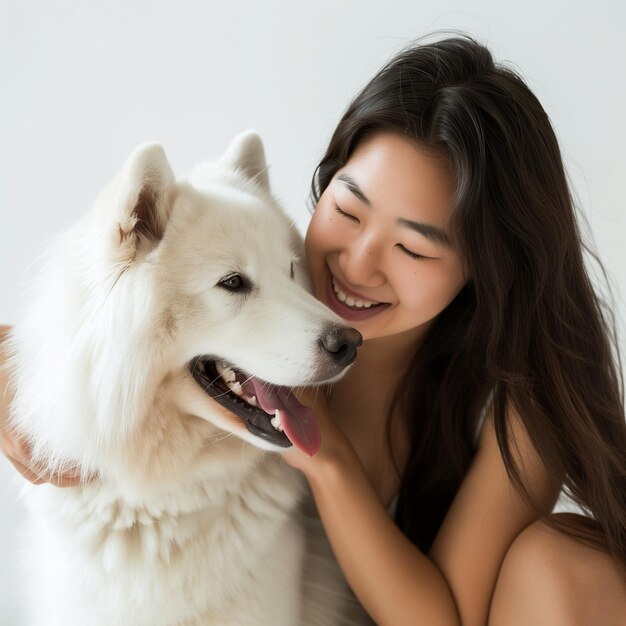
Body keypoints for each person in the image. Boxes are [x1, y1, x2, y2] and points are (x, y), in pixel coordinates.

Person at [2, 32, 626, 625]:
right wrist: (27, 394)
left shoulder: (517, 404)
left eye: (412, 250)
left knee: (565, 563)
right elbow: (101, 315)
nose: (356, 266)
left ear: (487, 267)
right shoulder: (258, 262)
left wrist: (326, 460)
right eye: (347, 210)